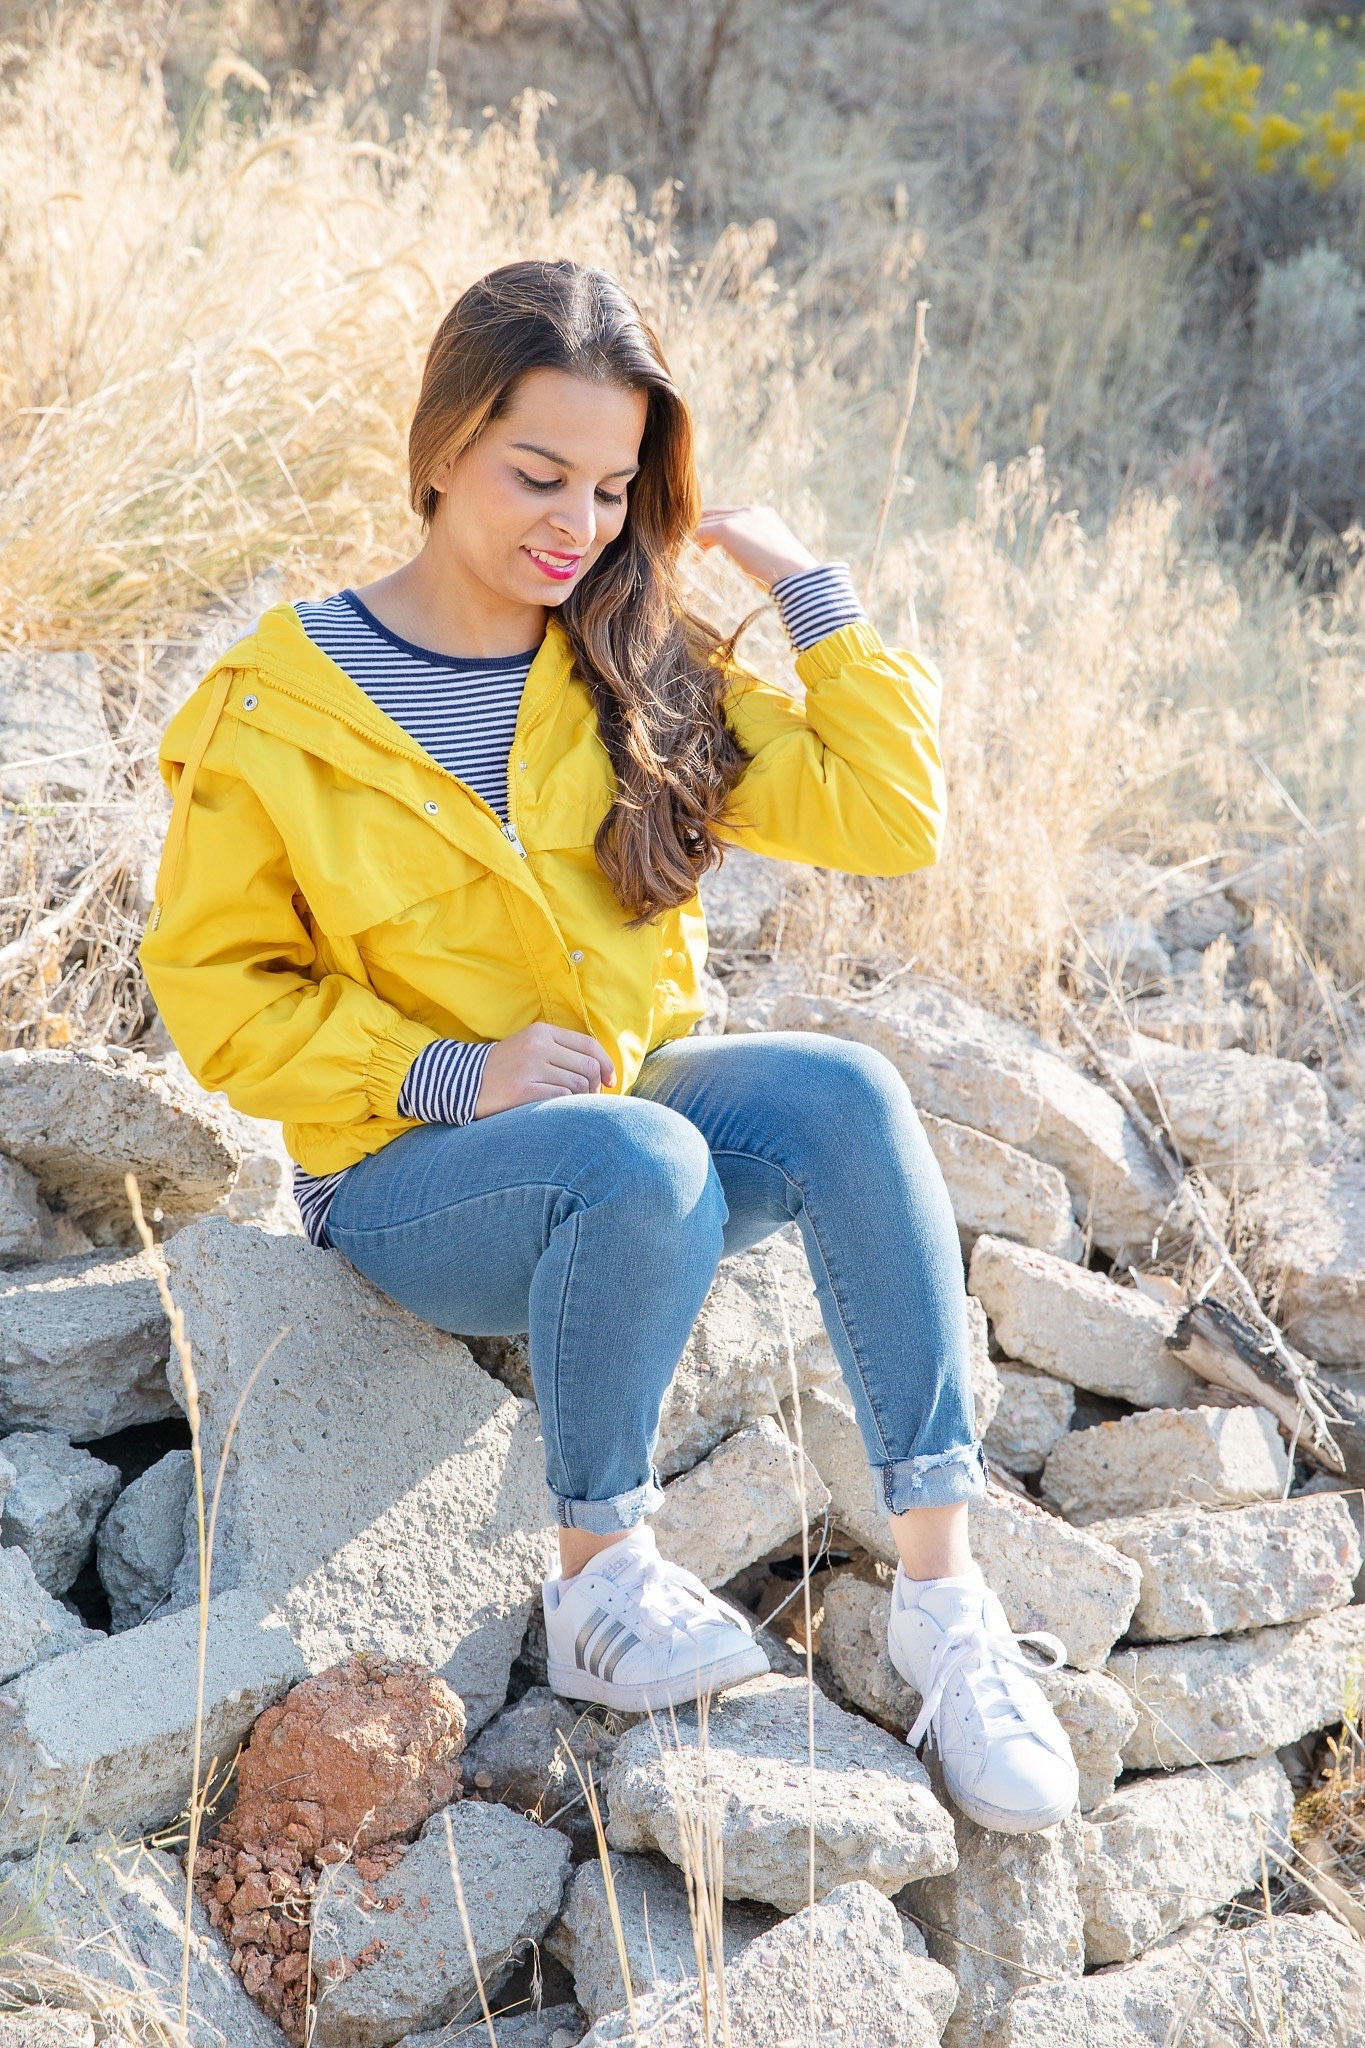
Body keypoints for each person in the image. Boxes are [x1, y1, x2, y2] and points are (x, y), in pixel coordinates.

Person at [139, 257, 1078, 1835]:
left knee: (842, 1091)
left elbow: (891, 818)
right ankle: (598, 1585)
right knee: (636, 1147)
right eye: (535, 474)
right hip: (409, 1182)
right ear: (441, 446)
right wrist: (454, 1073)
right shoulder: (277, 704)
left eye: (610, 485)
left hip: (622, 1144)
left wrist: (806, 592)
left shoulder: (635, 661)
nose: (574, 521)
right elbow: (220, 997)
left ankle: (943, 1602)